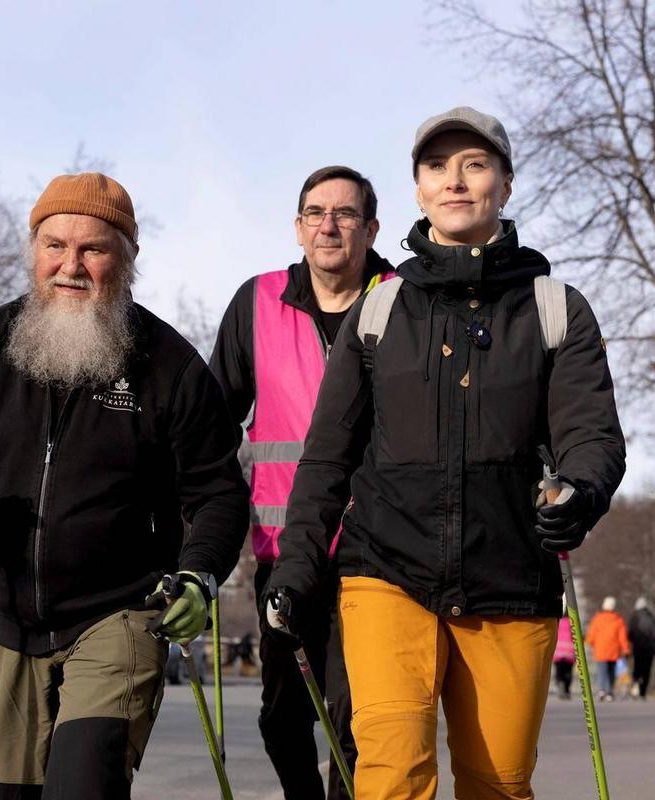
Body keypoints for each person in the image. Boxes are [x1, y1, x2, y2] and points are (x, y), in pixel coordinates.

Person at [265, 107, 626, 799]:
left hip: (511, 577)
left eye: (474, 165)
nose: (455, 181)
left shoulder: (556, 308)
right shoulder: (380, 310)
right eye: (437, 167)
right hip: (385, 571)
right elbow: (327, 458)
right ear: (420, 190)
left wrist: (579, 492)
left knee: (498, 784)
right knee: (391, 774)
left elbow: (592, 435)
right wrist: (298, 566)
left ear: (505, 185)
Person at [0, 172, 249, 800]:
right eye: (54, 245)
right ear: (34, 251)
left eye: (93, 249)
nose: (70, 266)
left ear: (127, 260)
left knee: (84, 786)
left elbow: (217, 492)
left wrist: (200, 574)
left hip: (121, 613)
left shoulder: (170, 365)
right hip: (7, 621)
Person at [211, 165, 394, 800]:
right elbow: (213, 423)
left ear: (371, 229)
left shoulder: (406, 301)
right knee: (283, 715)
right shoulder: (257, 302)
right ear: (298, 227)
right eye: (316, 213)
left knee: (357, 720)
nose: (329, 226)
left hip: (380, 554)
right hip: (285, 553)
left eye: (345, 214)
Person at [586, 596, 631, 702]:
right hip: (614, 651)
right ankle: (609, 692)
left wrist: (588, 642)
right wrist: (626, 649)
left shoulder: (597, 619)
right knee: (611, 672)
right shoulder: (618, 620)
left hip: (600, 650)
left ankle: (602, 690)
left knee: (602, 671)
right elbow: (622, 637)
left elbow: (591, 634)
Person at [627, 596, 655, 698]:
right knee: (647, 670)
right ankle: (643, 691)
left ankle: (635, 686)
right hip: (650, 649)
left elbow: (629, 633)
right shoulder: (651, 617)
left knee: (637, 667)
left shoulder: (634, 617)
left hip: (638, 648)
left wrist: (632, 641)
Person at [552, 614, 576, 700]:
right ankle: (567, 690)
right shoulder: (572, 622)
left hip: (558, 651)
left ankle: (559, 682)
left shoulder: (557, 622)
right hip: (569, 651)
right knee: (568, 672)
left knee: (559, 671)